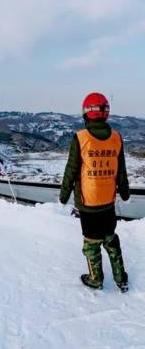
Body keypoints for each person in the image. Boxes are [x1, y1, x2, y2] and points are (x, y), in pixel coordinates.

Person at [60, 92, 130, 293]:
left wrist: (63, 195)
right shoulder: (116, 138)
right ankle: (121, 278)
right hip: (108, 201)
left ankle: (95, 278)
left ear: (86, 113)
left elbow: (71, 170)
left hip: (87, 202)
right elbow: (121, 171)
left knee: (91, 242)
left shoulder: (81, 138)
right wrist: (124, 193)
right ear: (106, 113)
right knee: (110, 238)